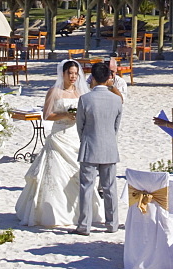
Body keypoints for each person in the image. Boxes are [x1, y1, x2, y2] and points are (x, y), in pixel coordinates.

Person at [15, 59, 99, 227]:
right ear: (63, 74)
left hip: (75, 136)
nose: (73, 77)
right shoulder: (54, 91)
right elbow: (46, 115)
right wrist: (65, 116)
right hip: (59, 135)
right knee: (54, 175)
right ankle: (50, 212)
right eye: (70, 73)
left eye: (76, 73)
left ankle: (79, 212)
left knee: (77, 172)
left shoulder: (81, 92)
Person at [76, 61, 123, 235]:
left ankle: (84, 225)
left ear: (93, 78)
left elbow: (79, 124)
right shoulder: (117, 99)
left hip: (90, 145)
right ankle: (112, 223)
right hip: (109, 145)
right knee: (110, 187)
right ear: (108, 78)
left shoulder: (85, 99)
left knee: (86, 187)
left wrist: (86, 139)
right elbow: (116, 126)